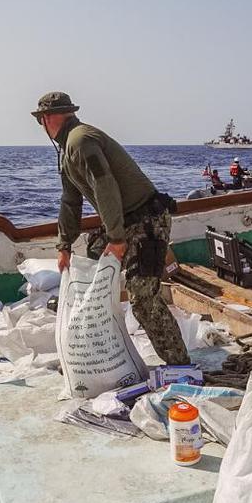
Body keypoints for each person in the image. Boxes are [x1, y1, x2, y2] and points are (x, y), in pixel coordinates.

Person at [31, 91, 191, 366]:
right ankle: (88, 355)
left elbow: (105, 188)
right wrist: (64, 246)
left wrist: (116, 239)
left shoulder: (80, 141)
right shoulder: (66, 151)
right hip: (123, 222)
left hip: (147, 222)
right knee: (87, 273)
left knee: (143, 300)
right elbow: (70, 201)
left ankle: (181, 365)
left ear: (47, 119)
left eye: (40, 121)